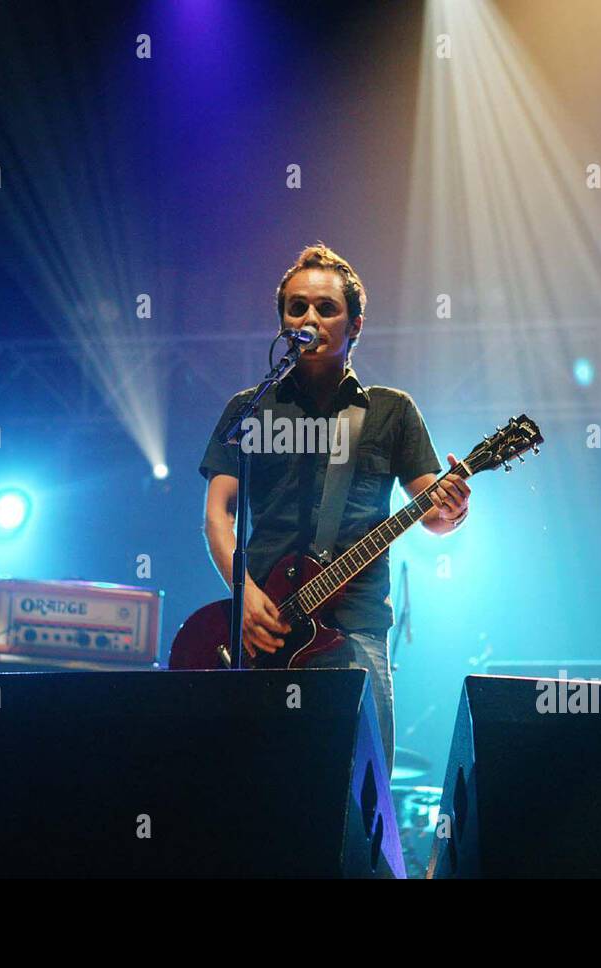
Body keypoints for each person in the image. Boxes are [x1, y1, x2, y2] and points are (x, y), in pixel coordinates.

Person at [198, 242, 471, 772]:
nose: (309, 318)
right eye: (296, 307)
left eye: (326, 308)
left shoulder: (390, 411)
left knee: (357, 797)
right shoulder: (248, 409)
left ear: (356, 325)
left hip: (355, 629)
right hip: (262, 627)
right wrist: (246, 594)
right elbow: (217, 514)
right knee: (254, 791)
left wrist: (454, 507)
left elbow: (433, 515)